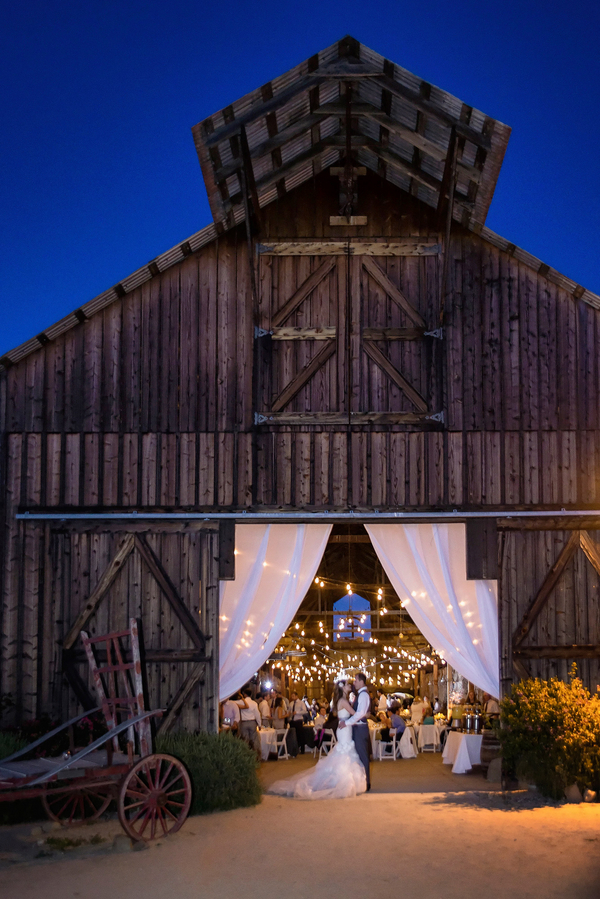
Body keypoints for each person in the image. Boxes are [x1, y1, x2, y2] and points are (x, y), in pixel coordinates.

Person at [267, 681, 367, 800]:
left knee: (344, 751)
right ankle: (339, 780)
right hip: (344, 728)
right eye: (347, 685)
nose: (349, 686)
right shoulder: (343, 701)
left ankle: (336, 778)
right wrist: (364, 712)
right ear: (343, 688)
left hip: (345, 728)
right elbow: (355, 714)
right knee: (344, 751)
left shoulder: (342, 700)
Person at [338, 672, 372, 792]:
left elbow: (360, 714)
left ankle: (366, 782)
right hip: (356, 728)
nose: (354, 683)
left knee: (362, 755)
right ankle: (361, 781)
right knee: (357, 754)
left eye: (356, 680)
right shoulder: (360, 695)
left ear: (362, 681)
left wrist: (347, 723)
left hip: (360, 728)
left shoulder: (363, 695)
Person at [235, 688, 261, 755]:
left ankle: (246, 755)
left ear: (244, 694)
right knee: (254, 740)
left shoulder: (240, 702)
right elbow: (257, 714)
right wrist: (259, 724)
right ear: (251, 694)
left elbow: (233, 703)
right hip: (252, 722)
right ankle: (255, 754)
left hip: (244, 723)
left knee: (245, 740)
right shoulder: (254, 703)